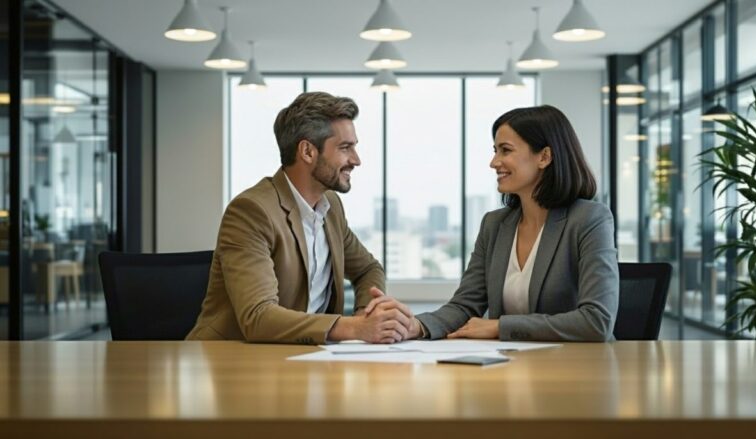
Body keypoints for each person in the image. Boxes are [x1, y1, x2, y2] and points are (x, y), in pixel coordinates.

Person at [369, 104, 618, 342]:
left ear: (544, 157)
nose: (494, 162)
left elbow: (596, 321)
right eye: (495, 150)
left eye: (505, 150)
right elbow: (466, 305)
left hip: (576, 366)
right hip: (508, 364)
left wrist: (500, 326)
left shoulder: (589, 219)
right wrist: (416, 326)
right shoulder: (495, 224)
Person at [187, 92, 415, 344]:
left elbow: (368, 269)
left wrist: (365, 314)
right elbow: (258, 317)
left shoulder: (331, 208)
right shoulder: (251, 212)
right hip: (230, 363)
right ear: (307, 151)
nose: (356, 160)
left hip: (304, 358)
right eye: (345, 147)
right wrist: (354, 328)